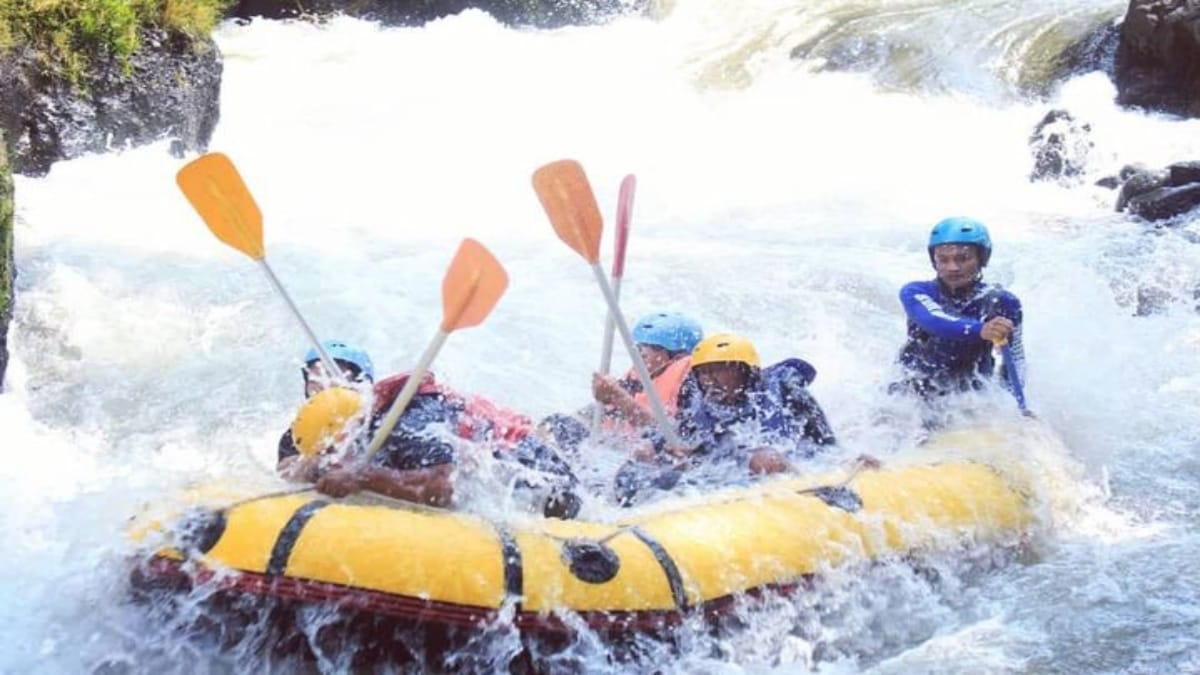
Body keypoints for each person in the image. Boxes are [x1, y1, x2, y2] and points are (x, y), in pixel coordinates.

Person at [279, 344, 581, 518]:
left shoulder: (405, 424)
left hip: (545, 481)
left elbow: (442, 488)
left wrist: (361, 476)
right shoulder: (326, 423)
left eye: (334, 448)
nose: (322, 387)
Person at [614, 333, 837, 505]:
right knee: (644, 453)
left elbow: (826, 443)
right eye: (704, 372)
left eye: (720, 370)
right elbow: (683, 436)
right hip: (723, 469)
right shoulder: (698, 402)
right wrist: (666, 449)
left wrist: (839, 469)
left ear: (745, 372)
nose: (710, 379)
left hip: (794, 467)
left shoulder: (784, 390)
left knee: (766, 460)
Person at [892, 217, 1025, 401]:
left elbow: (1015, 359)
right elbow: (935, 321)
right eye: (943, 260)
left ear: (981, 258)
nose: (952, 267)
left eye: (963, 259)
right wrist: (981, 330)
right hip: (912, 393)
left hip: (970, 396)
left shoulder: (1004, 302)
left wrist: (1015, 404)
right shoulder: (916, 292)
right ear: (934, 261)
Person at [591, 311, 704, 431]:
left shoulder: (691, 384)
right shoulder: (637, 376)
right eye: (641, 345)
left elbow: (667, 435)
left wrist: (619, 398)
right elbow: (603, 414)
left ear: (678, 357)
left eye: (655, 347)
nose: (642, 352)